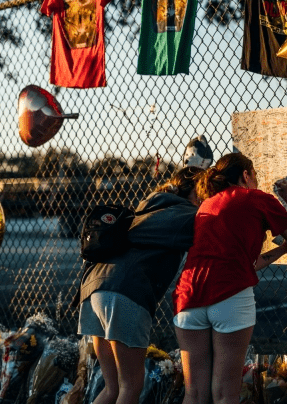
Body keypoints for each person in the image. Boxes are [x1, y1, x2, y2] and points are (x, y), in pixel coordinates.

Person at [172, 153, 287, 404]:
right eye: (255, 176)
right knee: (226, 394)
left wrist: (281, 249)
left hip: (188, 297)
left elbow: (246, 263)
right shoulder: (256, 198)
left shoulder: (207, 204)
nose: (257, 182)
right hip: (229, 296)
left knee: (194, 393)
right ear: (246, 175)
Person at [77, 166, 203, 404]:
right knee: (131, 386)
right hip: (125, 293)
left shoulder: (150, 205)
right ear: (197, 191)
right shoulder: (186, 214)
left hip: (94, 288)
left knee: (111, 388)